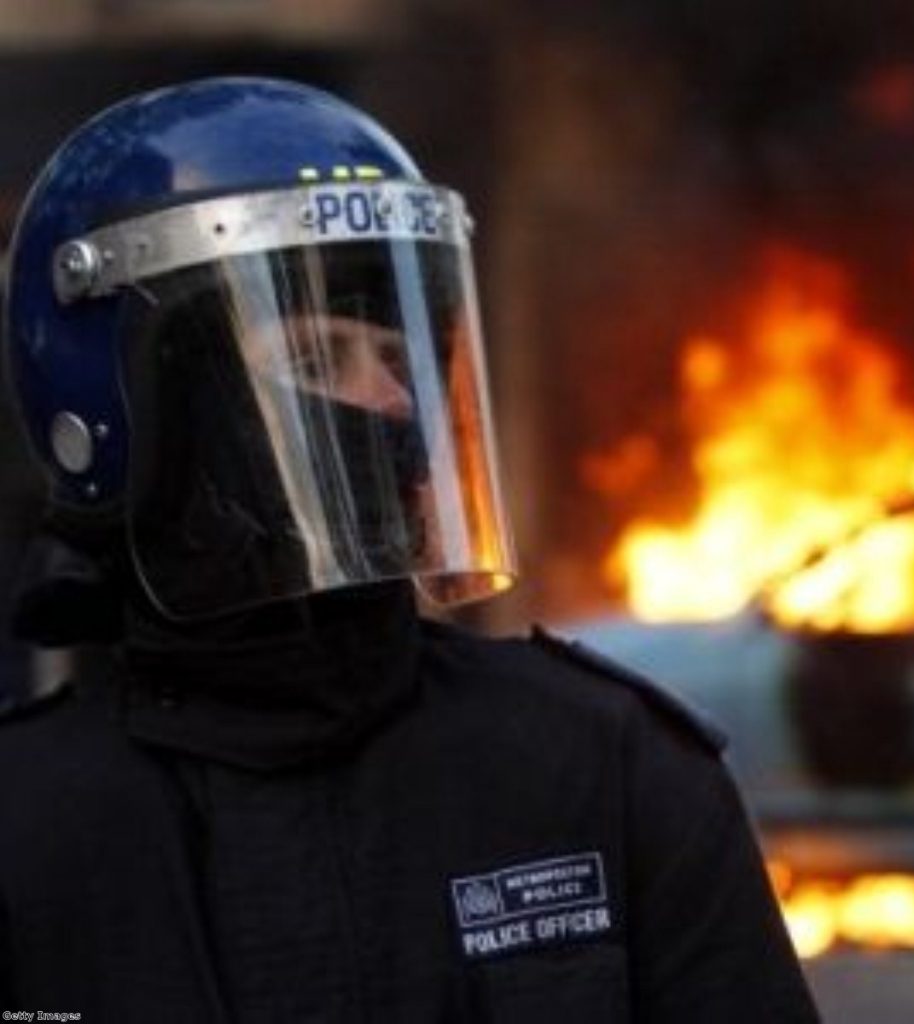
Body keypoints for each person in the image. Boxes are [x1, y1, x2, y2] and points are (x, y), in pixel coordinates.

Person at [0, 77, 819, 1021]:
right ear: (130, 403)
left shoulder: (606, 769)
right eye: (317, 358)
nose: (393, 403)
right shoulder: (23, 833)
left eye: (401, 360)